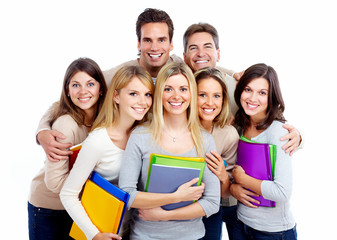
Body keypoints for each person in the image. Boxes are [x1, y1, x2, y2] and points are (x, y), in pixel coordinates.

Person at [35, 8, 183, 163]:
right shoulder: (119, 75)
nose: (154, 47)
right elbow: (68, 99)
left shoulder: (180, 70)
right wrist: (42, 131)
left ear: (171, 43)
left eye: (161, 40)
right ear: (138, 44)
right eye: (147, 40)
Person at [118, 62, 220, 240]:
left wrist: (164, 215)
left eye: (183, 89)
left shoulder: (204, 140)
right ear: (159, 94)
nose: (176, 96)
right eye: (168, 89)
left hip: (191, 236)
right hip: (145, 236)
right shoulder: (140, 135)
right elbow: (127, 195)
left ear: (191, 93)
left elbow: (212, 203)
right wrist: (175, 197)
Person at [60, 65, 154, 240]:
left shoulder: (144, 135)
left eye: (147, 94)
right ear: (116, 96)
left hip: (133, 231)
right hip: (102, 232)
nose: (143, 102)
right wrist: (94, 235)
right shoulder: (98, 141)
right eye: (133, 94)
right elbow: (68, 194)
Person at [183, 22, 301, 155]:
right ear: (184, 57)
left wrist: (297, 135)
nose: (200, 53)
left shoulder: (237, 87)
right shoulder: (177, 87)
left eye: (207, 47)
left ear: (218, 54)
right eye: (193, 48)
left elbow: (269, 113)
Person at [28, 57, 108, 240]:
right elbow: (54, 182)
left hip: (77, 207)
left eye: (90, 84)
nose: (83, 91)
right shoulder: (66, 125)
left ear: (101, 88)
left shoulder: (102, 120)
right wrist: (97, 192)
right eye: (76, 85)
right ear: (67, 90)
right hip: (49, 208)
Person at [231, 63, 297, 239]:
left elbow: (282, 192)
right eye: (248, 89)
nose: (253, 98)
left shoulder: (279, 132)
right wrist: (233, 188)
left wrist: (242, 179)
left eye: (262, 93)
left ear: (271, 97)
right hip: (241, 224)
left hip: (273, 232)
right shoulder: (239, 127)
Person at [194, 68, 239, 240]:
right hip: (175, 206)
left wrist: (223, 176)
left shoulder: (228, 135)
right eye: (202, 95)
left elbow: (225, 193)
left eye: (217, 96)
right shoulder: (178, 128)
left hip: (210, 210)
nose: (210, 102)